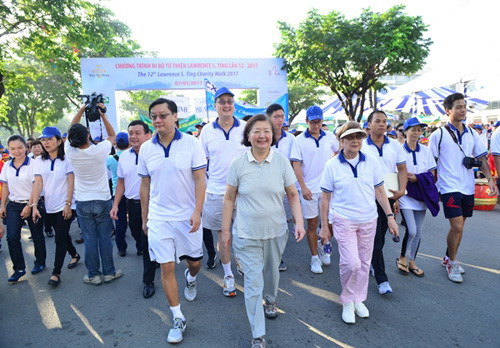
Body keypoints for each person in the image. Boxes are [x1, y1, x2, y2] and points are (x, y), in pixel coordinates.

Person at [222, 114, 306, 347]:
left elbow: (292, 194)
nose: (262, 135)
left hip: (275, 231)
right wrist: (226, 231)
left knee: (271, 274)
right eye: (256, 131)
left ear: (273, 135)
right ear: (248, 135)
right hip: (246, 233)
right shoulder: (238, 164)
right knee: (252, 283)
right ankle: (258, 334)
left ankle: (271, 299)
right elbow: (229, 198)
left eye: (266, 131)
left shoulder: (281, 162)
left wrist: (299, 222)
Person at [139, 98, 206, 344]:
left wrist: (198, 211)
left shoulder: (191, 144)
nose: (158, 120)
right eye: (154, 116)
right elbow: (144, 184)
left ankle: (191, 277)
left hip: (187, 218)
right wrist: (145, 218)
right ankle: (178, 317)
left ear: (175, 116)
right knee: (166, 267)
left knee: (195, 262)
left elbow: (200, 179)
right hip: (159, 218)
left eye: (163, 115)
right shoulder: (146, 148)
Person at [319, 121, 399, 324]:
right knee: (351, 263)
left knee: (364, 263)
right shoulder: (332, 165)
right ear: (341, 141)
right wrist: (324, 226)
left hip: (369, 219)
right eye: (350, 137)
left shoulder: (371, 161)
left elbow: (380, 191)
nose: (355, 141)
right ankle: (347, 300)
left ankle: (358, 299)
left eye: (358, 137)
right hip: (343, 219)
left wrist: (390, 217)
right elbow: (325, 197)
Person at [428, 93, 497, 283]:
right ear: (448, 111)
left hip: (467, 186)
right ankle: (453, 263)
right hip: (448, 187)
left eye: (464, 106)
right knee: (456, 226)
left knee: (460, 227)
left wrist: (490, 179)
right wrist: (430, 188)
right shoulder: (438, 135)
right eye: (458, 107)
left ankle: (447, 257)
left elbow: (482, 158)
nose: (463, 110)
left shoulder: (472, 134)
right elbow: (430, 163)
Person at [65, 103, 123, 286]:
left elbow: (70, 130)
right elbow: (112, 135)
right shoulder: (100, 150)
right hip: (102, 199)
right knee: (105, 238)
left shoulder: (71, 152)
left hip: (83, 201)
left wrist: (81, 110)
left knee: (89, 239)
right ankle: (109, 272)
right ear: (88, 135)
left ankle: (93, 275)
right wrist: (102, 115)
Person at [199, 87, 247, 295]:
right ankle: (228, 275)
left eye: (230, 101)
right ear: (215, 105)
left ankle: (240, 258)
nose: (226, 105)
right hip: (217, 192)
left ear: (233, 104)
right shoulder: (207, 131)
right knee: (223, 236)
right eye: (222, 102)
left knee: (244, 234)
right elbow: (200, 164)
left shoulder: (246, 127)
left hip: (245, 192)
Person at [362, 110, 407, 295]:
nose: (382, 124)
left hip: (387, 195)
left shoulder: (394, 146)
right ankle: (382, 279)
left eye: (384, 121)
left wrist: (401, 190)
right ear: (369, 125)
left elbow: (402, 168)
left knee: (380, 236)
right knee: (376, 238)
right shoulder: (362, 145)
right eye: (377, 121)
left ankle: (373, 261)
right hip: (365, 197)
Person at [110, 120, 157, 299]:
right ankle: (154, 252)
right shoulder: (124, 156)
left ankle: (148, 281)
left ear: (148, 135)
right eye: (130, 133)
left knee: (146, 243)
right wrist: (115, 205)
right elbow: (120, 182)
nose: (133, 136)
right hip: (132, 204)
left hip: (154, 204)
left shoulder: (155, 154)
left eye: (137, 133)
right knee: (137, 236)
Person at [290, 105, 339, 274]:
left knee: (330, 222)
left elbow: (339, 152)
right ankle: (314, 257)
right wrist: (302, 186)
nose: (316, 125)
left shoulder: (330, 137)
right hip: (309, 189)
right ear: (306, 122)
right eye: (313, 122)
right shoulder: (299, 140)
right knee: (312, 223)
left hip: (328, 189)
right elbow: (295, 164)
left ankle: (323, 243)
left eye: (319, 122)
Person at [31, 127, 80, 287]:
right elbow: (38, 183)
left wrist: (68, 204)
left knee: (59, 237)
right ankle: (74, 254)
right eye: (43, 140)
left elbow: (71, 181)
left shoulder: (67, 159)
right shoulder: (39, 161)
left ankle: (56, 273)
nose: (45, 142)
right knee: (63, 235)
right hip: (49, 206)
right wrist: (34, 205)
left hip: (66, 205)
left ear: (59, 141)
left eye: (49, 139)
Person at [0, 135, 47, 283]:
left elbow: (36, 186)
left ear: (26, 148)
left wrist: (29, 205)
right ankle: (19, 269)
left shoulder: (34, 164)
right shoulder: (7, 165)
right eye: (13, 149)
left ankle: (40, 262)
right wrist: (2, 205)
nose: (17, 151)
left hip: (33, 203)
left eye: (20, 148)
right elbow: (5, 186)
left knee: (37, 235)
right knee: (12, 237)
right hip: (13, 205)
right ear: (9, 149)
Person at [396, 118, 439, 277]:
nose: (416, 133)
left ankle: (412, 260)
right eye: (412, 130)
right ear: (405, 131)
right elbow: (394, 173)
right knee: (412, 230)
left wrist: (418, 178)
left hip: (421, 194)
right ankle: (402, 257)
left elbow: (432, 173)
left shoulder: (426, 151)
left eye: (418, 130)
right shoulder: (399, 150)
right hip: (405, 195)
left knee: (419, 231)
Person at [267, 103, 296, 272]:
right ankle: (270, 255)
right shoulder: (263, 136)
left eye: (282, 116)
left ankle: (277, 255)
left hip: (285, 189)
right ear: (269, 117)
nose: (280, 120)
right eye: (276, 116)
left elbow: (294, 164)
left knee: (282, 223)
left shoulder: (291, 139)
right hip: (266, 188)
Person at [107, 132, 140, 257]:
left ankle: (121, 247)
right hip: (132, 193)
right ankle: (140, 246)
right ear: (129, 143)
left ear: (116, 144)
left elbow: (106, 176)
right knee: (135, 222)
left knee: (120, 222)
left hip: (117, 194)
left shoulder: (110, 159)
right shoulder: (129, 156)